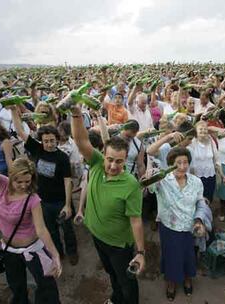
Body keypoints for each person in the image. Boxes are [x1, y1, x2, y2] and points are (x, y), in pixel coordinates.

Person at [71, 105, 145, 304]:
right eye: (110, 159)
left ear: (125, 160)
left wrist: (140, 253)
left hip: (119, 245)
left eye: (119, 162)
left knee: (126, 281)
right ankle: (116, 298)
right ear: (103, 154)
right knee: (112, 274)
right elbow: (80, 140)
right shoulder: (95, 162)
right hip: (97, 237)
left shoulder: (130, 185)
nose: (113, 165)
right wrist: (76, 113)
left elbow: (136, 220)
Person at [0, 150, 62, 304]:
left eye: (27, 181)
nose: (23, 185)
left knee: (47, 287)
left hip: (33, 250)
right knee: (16, 286)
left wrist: (55, 255)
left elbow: (41, 229)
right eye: (19, 181)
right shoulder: (3, 184)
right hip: (9, 250)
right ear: (11, 177)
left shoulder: (33, 199)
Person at [11, 107, 78, 265]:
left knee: (67, 229)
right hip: (42, 202)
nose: (49, 144)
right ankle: (58, 253)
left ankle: (72, 251)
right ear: (42, 141)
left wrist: (68, 205)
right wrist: (14, 111)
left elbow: (67, 180)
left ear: (57, 139)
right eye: (46, 141)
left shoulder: (62, 157)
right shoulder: (37, 149)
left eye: (52, 141)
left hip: (60, 200)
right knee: (51, 230)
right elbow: (20, 131)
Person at [147, 147, 207, 301]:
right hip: (169, 227)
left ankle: (187, 278)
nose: (182, 166)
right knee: (171, 256)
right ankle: (171, 282)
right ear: (170, 164)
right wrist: (149, 175)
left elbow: (201, 202)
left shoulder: (196, 181)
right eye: (178, 163)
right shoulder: (162, 180)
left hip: (189, 228)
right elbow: (148, 187)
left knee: (188, 255)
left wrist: (199, 220)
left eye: (185, 162)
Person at [188, 120, 221, 203]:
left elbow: (216, 158)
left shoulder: (211, 141)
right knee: (197, 198)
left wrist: (221, 173)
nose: (203, 131)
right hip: (196, 176)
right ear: (196, 131)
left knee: (208, 198)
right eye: (200, 129)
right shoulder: (192, 142)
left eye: (205, 129)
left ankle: (206, 214)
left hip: (210, 174)